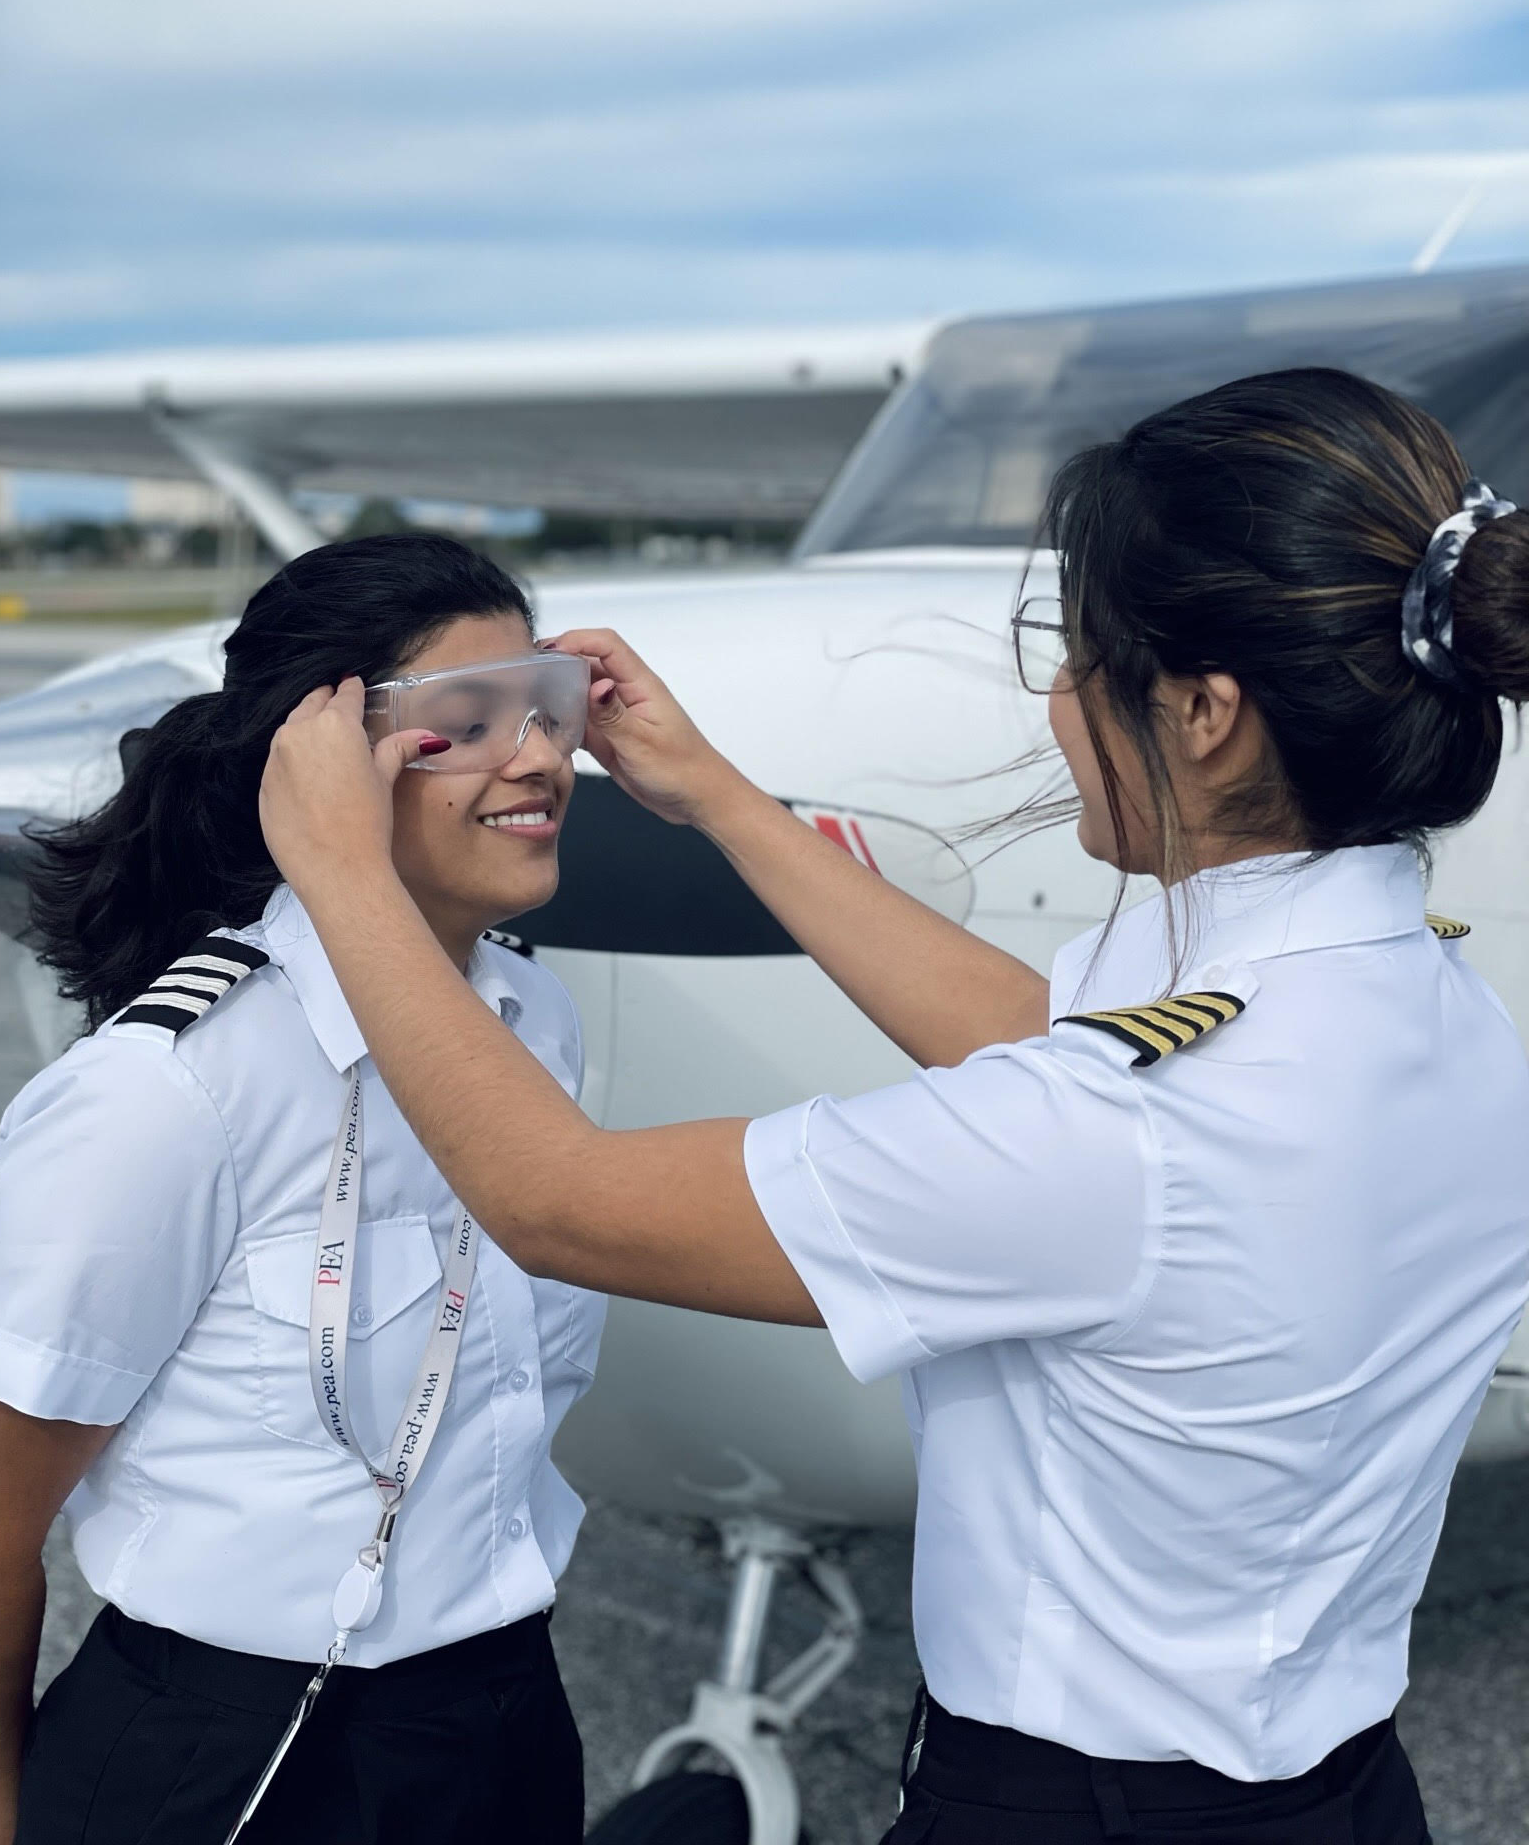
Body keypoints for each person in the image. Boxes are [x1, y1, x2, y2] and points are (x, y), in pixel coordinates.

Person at [259, 369, 1529, 1845]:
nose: (1059, 700)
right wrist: (723, 801)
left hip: (1075, 1816)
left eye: (1080, 654)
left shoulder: (1129, 1138)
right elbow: (1054, 1055)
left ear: (1205, 714)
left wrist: (342, 870)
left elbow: (558, 1200)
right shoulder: (1433, 1009)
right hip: (1341, 1792)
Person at [0, 534, 604, 1845]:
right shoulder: (172, 1089)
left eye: (549, 707)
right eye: (467, 722)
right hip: (232, 1759)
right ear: (319, 759)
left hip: (501, 1725)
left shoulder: (533, 1017)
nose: (541, 758)